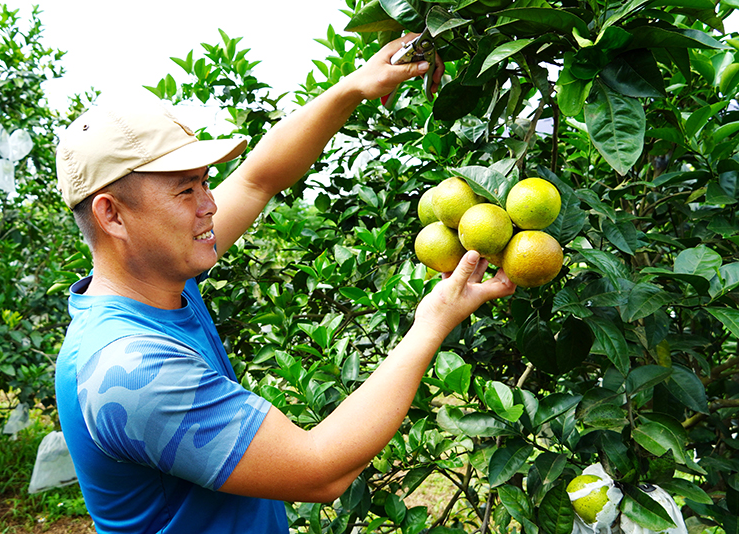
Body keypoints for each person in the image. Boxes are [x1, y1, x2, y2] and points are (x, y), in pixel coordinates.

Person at [54, 33, 516, 534]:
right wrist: (434, 320)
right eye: (186, 190)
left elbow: (257, 179)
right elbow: (320, 469)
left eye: (207, 181)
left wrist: (351, 88)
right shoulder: (128, 369)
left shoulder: (159, 277)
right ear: (112, 215)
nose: (209, 204)